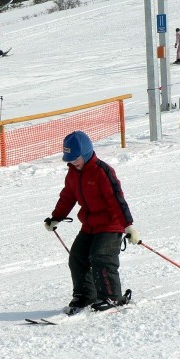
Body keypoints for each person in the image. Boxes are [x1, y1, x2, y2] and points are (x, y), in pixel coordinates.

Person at [44, 131, 140, 315]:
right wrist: (56, 217)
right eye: (69, 159)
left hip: (111, 224)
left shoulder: (102, 172)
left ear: (87, 153)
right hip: (90, 225)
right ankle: (85, 295)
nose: (73, 163)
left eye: (76, 158)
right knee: (77, 256)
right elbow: (67, 197)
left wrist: (128, 225)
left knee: (101, 256)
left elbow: (116, 199)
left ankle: (111, 297)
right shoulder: (73, 174)